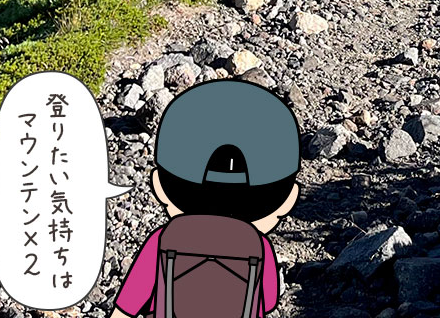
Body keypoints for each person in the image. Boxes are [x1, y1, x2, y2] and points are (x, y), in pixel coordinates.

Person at [111, 79, 301, 318]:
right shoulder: (261, 247)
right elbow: (269, 301)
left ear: (160, 186)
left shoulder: (161, 240)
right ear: (287, 199)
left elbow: (127, 306)